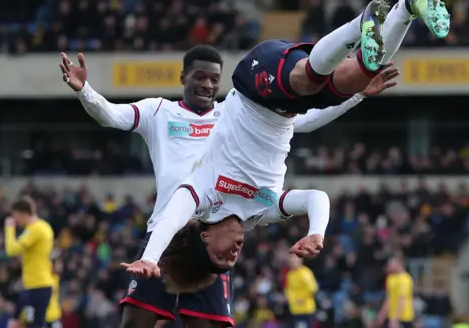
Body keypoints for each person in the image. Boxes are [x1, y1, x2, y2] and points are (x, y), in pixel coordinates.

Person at [120, 0, 449, 288]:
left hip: (254, 82)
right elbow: (314, 197)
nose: (233, 255)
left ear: (205, 237)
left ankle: (359, 22)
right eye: (231, 262)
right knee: (362, 73)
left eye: (221, 257)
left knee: (306, 80)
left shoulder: (204, 198)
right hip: (287, 107)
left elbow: (172, 216)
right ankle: (409, 3)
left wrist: (151, 257)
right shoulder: (263, 213)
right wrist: (317, 231)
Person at [60, 45, 378, 328]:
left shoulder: (232, 111)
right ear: (183, 76)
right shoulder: (158, 110)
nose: (208, 84)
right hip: (167, 234)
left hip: (214, 234)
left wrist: (356, 96)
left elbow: (302, 122)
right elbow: (110, 116)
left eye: (215, 79)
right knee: (136, 321)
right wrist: (84, 89)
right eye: (200, 76)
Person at [4, 197, 55, 328]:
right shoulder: (40, 227)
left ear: (25, 214)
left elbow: (11, 249)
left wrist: (9, 228)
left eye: (16, 216)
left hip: (38, 285)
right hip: (34, 284)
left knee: (28, 323)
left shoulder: (36, 229)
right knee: (23, 322)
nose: (15, 220)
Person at [376, 256, 415, 328]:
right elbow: (388, 298)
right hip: (390, 316)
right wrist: (382, 315)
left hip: (404, 317)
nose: (389, 266)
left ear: (398, 264)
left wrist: (395, 320)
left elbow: (401, 300)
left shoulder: (405, 279)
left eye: (391, 264)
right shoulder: (390, 278)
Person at [284, 254, 318, 328]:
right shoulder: (290, 274)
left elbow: (313, 289)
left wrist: (302, 298)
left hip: (306, 309)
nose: (292, 263)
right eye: (291, 261)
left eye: (294, 261)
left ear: (300, 261)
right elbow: (288, 289)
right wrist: (289, 298)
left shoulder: (305, 273)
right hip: (294, 309)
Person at [45, 255, 63, 328]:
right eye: (59, 264)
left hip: (55, 316)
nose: (61, 266)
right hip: (45, 317)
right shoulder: (45, 278)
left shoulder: (56, 278)